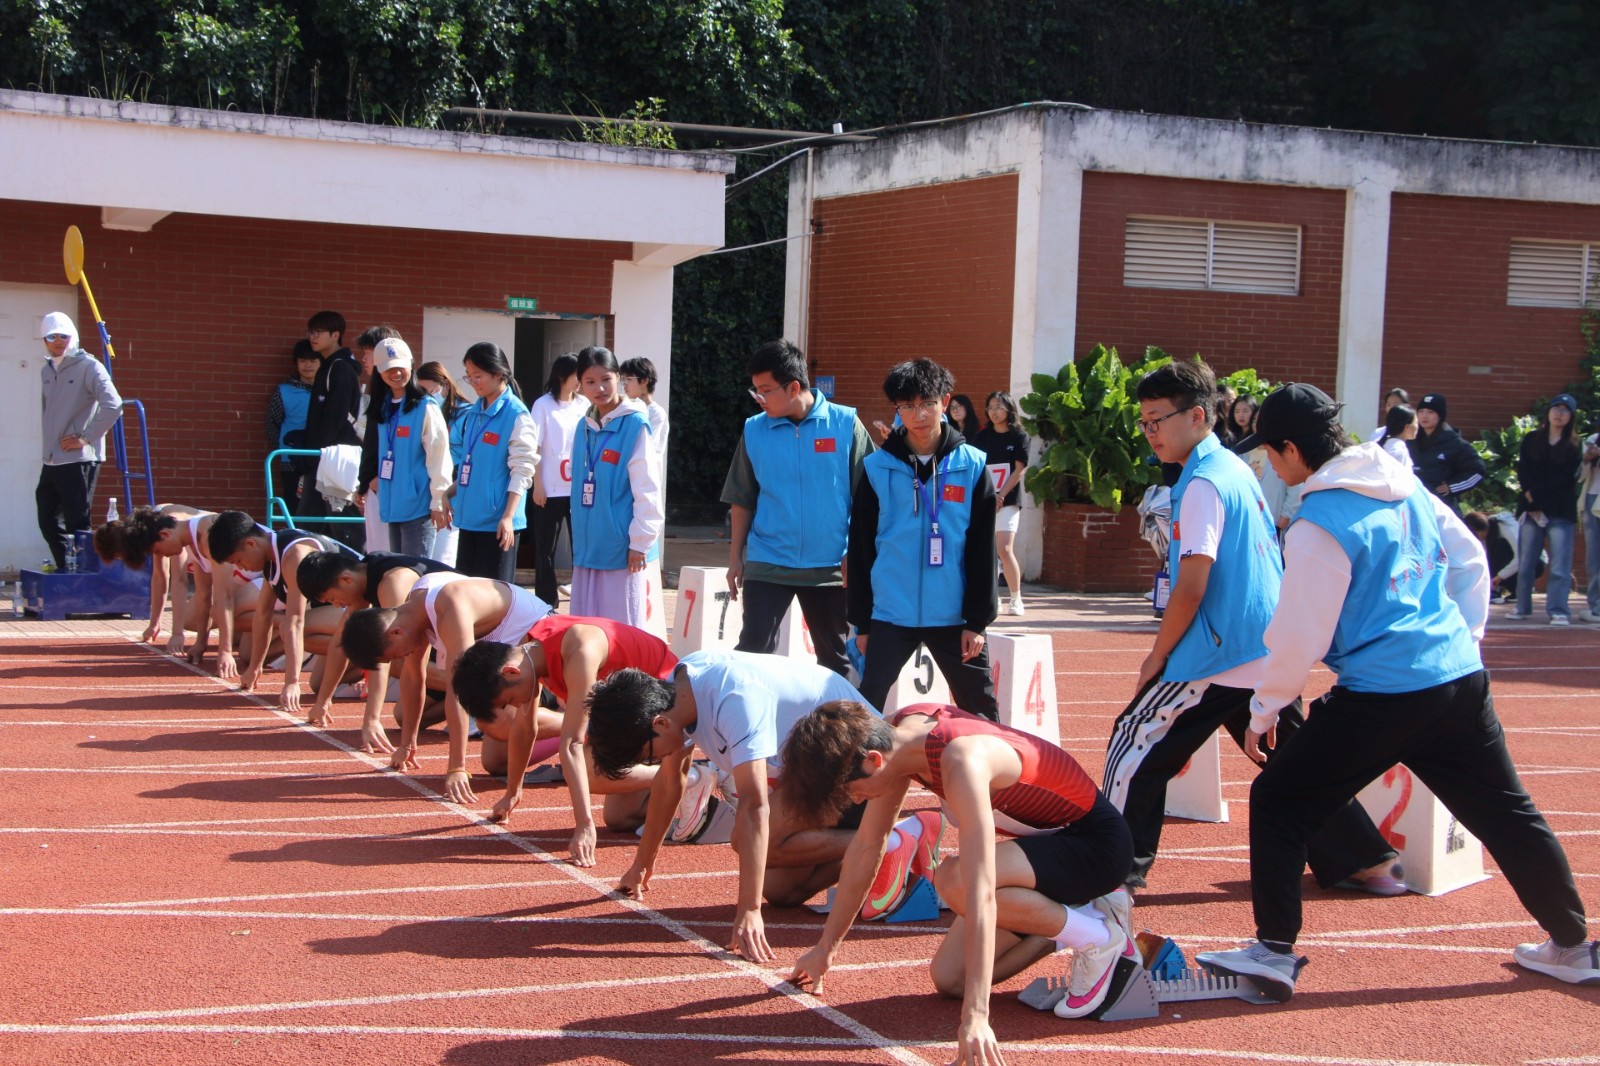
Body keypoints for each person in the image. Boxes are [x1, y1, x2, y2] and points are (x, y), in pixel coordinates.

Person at [1195, 383, 1598, 999]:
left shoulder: (1316, 524)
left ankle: (1273, 952)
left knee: (1278, 799)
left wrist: (1264, 708)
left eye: (1270, 454)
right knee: (1507, 811)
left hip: (1384, 695)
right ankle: (1574, 946)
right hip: (1458, 679)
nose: (1269, 466)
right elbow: (1470, 560)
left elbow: (1300, 634)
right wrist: (1462, 638)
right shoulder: (1406, 485)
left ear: (1294, 449)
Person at [1106, 363, 1399, 898]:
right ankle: (1365, 859)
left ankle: (1112, 870)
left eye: (1157, 420)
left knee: (1134, 745)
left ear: (1196, 416)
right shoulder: (1236, 469)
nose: (1150, 432)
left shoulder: (1202, 484)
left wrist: (1158, 655)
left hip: (1216, 652)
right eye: (1143, 422)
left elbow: (1192, 585)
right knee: (1294, 759)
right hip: (1262, 647)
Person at [784, 701, 1137, 1049]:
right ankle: (1074, 920)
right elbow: (867, 847)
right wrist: (825, 949)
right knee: (952, 980)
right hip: (1048, 849)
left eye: (849, 791)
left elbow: (980, 891)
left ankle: (1097, 937)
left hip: (1097, 848)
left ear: (872, 762)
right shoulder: (893, 739)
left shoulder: (962, 761)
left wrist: (977, 1018)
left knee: (954, 881)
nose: (856, 801)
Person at [585, 651, 929, 960]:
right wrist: (643, 865)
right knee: (780, 891)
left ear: (660, 724)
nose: (654, 761)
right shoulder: (678, 691)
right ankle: (891, 843)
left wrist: (748, 911)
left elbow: (754, 806)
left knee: (747, 841)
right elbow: (671, 779)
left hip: (859, 771)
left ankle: (887, 839)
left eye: (648, 755)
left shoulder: (734, 700)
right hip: (810, 774)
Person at [449, 618, 678, 865]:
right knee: (620, 818)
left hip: (665, 704)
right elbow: (525, 728)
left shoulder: (580, 653)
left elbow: (572, 745)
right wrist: (513, 792)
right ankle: (676, 778)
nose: (514, 706)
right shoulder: (528, 653)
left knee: (588, 771)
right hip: (623, 714)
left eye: (509, 701)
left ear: (510, 672)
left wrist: (584, 825)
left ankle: (685, 775)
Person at [850, 358, 999, 719]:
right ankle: (857, 775)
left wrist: (977, 622)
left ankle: (993, 776)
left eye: (927, 404)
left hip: (954, 617)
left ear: (945, 403)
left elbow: (983, 550)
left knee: (980, 709)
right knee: (865, 709)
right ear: (897, 409)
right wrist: (863, 623)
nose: (918, 415)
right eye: (907, 406)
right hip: (889, 614)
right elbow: (861, 549)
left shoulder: (973, 465)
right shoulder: (876, 468)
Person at [722, 340, 873, 677]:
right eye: (755, 391)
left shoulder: (845, 423)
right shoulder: (754, 430)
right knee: (753, 650)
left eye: (765, 390)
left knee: (835, 660)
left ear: (793, 387)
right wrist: (735, 557)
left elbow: (868, 498)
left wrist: (858, 553)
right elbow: (742, 496)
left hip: (832, 566)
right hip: (769, 560)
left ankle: (844, 729)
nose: (759, 398)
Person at [339, 572, 552, 805]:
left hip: (541, 650)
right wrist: (407, 744)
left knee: (496, 725)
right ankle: (569, 727)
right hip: (501, 665)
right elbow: (413, 675)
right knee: (495, 762)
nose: (397, 659)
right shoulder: (412, 610)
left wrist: (457, 768)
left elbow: (457, 689)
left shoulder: (450, 608)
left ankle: (578, 724)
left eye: (392, 656)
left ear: (395, 632)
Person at [298, 549, 458, 752]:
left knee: (396, 660)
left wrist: (372, 719)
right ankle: (466, 701)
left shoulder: (393, 582)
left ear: (345, 579)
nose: (336, 605)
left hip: (464, 635)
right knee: (403, 715)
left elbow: (388, 651)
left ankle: (475, 690)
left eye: (331, 599)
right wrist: (323, 701)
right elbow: (340, 641)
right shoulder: (363, 578)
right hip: (438, 641)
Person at [208, 510, 359, 715]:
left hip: (364, 607)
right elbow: (263, 613)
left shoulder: (294, 555)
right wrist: (254, 667)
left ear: (251, 544)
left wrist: (292, 682)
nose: (241, 567)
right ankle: (367, 664)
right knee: (319, 683)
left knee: (297, 628)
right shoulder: (271, 557)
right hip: (339, 610)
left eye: (238, 560)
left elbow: (295, 620)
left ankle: (383, 660)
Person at [569, 346, 665, 634]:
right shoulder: (582, 427)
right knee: (585, 630)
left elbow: (647, 488)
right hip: (588, 547)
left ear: (619, 379)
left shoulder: (635, 425)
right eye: (589, 382)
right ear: (580, 385)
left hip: (621, 551)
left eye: (606, 379)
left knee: (618, 631)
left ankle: (623, 681)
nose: (599, 388)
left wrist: (640, 542)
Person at [94, 505, 255, 676]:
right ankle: (263, 629)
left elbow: (193, 585)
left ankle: (279, 622)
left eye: (156, 551)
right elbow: (196, 590)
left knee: (218, 609)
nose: (160, 555)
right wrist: (200, 641)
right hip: (249, 579)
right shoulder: (187, 541)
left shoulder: (192, 532)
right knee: (245, 651)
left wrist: (223, 650)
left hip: (265, 578)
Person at [36, 311, 122, 571]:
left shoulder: (89, 366)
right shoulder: (47, 370)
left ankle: (85, 574)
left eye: (64, 335)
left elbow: (113, 404)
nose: (58, 341)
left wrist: (84, 438)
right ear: (44, 340)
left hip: (79, 459)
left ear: (73, 336)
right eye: (52, 336)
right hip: (52, 460)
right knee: (47, 520)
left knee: (78, 523)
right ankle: (67, 569)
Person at [444, 342, 536, 582]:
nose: (473, 382)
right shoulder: (474, 412)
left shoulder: (517, 414)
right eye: (469, 376)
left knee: (494, 601)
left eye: (478, 376)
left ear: (498, 374)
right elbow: (471, 466)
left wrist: (507, 516)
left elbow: (522, 470)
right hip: (470, 518)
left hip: (497, 524)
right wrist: (450, 492)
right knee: (465, 594)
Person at [357, 338, 452, 558]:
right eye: (388, 368)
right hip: (393, 506)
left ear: (411, 365)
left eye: (400, 366)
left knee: (414, 575)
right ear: (379, 371)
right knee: (398, 575)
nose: (396, 373)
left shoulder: (426, 407)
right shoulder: (382, 409)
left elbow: (439, 458)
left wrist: (438, 500)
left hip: (419, 508)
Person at [1512, 394, 1582, 625]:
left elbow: (1565, 479)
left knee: (1560, 565)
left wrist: (1538, 496)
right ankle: (1522, 607)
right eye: (1555, 408)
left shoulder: (1574, 444)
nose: (1559, 413)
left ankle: (1559, 610)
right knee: (1526, 563)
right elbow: (1524, 470)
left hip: (1559, 510)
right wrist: (1530, 497)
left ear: (1571, 416)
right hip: (1530, 509)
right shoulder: (1532, 439)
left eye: (1565, 410)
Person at [298, 311, 365, 550]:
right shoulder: (327, 367)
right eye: (311, 332)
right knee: (310, 521)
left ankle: (354, 567)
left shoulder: (340, 369)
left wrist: (316, 452)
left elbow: (337, 417)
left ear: (335, 335)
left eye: (319, 332)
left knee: (341, 521)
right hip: (321, 457)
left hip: (336, 457)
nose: (313, 337)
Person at [528, 354, 587, 606]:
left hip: (578, 489)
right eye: (578, 376)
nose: (581, 382)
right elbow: (536, 446)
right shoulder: (543, 405)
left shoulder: (584, 404)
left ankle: (582, 598)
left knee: (580, 547)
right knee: (545, 549)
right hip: (549, 489)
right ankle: (546, 601)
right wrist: (537, 483)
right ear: (564, 375)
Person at [973, 391, 1029, 617]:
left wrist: (1001, 495)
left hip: (1007, 500)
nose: (994, 411)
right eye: (990, 407)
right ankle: (991, 597)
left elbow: (1018, 469)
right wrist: (987, 495)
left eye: (999, 407)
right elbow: (976, 468)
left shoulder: (1019, 436)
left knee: (1004, 548)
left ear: (1009, 409)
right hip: (985, 499)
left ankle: (1016, 598)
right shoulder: (981, 437)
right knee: (987, 551)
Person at [414, 360, 471, 566]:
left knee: (445, 558)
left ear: (445, 383)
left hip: (454, 492)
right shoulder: (425, 413)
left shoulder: (466, 414)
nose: (428, 397)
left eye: (430, 391)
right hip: (430, 493)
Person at [265, 340, 321, 514]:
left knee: (321, 508)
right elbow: (272, 423)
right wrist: (284, 446)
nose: (307, 365)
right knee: (293, 506)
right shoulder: (283, 391)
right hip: (290, 460)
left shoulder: (331, 391)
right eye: (303, 360)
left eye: (312, 360)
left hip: (323, 459)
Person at [1408, 393, 1484, 514]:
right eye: (1421, 411)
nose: (1424, 416)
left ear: (1440, 416)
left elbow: (1477, 471)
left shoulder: (1455, 443)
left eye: (1430, 412)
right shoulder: (1409, 439)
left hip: (1442, 508)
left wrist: (1452, 486)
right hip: (1412, 505)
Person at [1463, 510, 1537, 604]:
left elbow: (1522, 556)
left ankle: (1520, 588)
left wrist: (1500, 576)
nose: (1477, 538)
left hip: (1535, 561)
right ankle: (1503, 590)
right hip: (1515, 563)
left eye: (1476, 534)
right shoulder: (1485, 536)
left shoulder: (1505, 527)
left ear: (1482, 528)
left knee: (1500, 546)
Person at [620, 356, 670, 464]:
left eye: (628, 379)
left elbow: (645, 446)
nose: (625, 385)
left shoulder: (656, 413)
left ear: (644, 381)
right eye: (623, 380)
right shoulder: (625, 409)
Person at [1581, 419, 1600, 624]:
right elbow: (1578, 474)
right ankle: (1595, 605)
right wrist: (1587, 457)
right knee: (1594, 554)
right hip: (1592, 498)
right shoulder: (1593, 440)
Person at [1376, 404, 1417, 468]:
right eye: (1416, 423)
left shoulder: (1383, 445)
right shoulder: (1398, 452)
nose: (1417, 427)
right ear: (1407, 427)